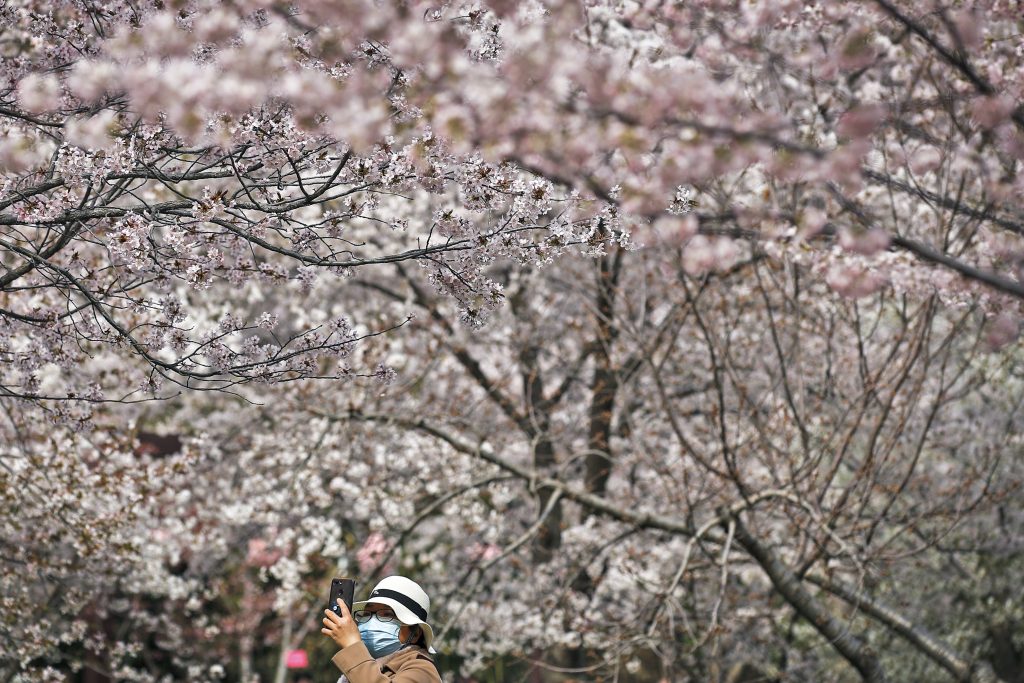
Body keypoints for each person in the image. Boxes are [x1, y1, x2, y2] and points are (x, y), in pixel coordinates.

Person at [322, 575, 441, 683]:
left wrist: (352, 645)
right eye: (367, 614)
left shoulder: (422, 670)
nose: (372, 621)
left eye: (387, 614)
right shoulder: (364, 670)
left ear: (415, 634)